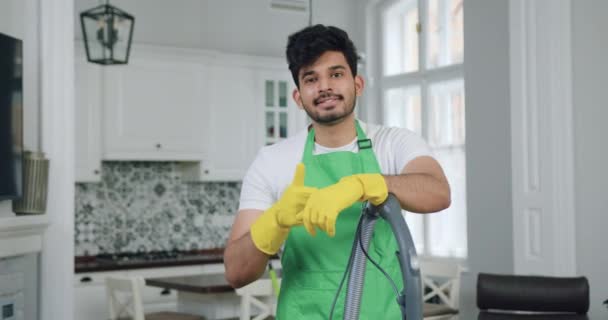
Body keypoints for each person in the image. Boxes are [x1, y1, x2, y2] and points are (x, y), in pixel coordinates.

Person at [224, 24, 451, 319]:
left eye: (336, 74)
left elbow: (438, 192)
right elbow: (236, 272)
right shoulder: (272, 161)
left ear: (357, 84)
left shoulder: (393, 143)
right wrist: (275, 220)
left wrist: (365, 184)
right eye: (311, 78)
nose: (325, 87)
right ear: (298, 97)